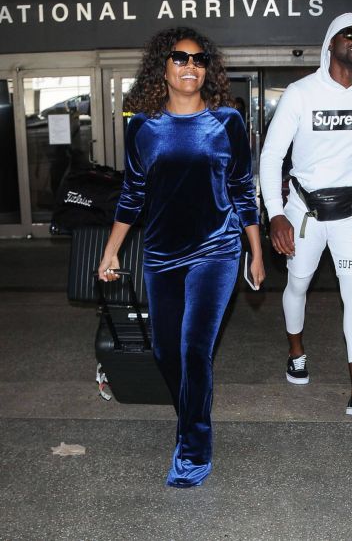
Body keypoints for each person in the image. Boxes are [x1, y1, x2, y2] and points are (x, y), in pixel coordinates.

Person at [97, 26, 265, 488]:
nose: (190, 66)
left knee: (194, 350)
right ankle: (193, 410)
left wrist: (256, 251)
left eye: (199, 60)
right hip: (161, 254)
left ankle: (193, 449)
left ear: (207, 69)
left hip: (217, 249)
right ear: (162, 68)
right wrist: (111, 251)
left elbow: (241, 191)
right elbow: (132, 195)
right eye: (180, 58)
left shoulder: (227, 121)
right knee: (165, 349)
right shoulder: (141, 127)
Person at [260, 12, 352, 418]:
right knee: (298, 285)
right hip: (302, 211)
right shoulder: (302, 93)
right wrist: (275, 214)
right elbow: (271, 155)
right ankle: (297, 352)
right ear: (331, 42)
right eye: (350, 34)